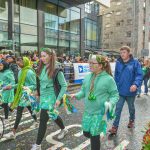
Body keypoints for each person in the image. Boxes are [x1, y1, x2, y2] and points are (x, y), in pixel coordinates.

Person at [70, 54, 119, 150]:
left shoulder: (108, 79)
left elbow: (115, 95)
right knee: (86, 132)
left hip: (99, 113)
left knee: (94, 136)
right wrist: (76, 95)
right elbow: (83, 91)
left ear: (100, 65)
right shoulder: (87, 77)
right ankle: (96, 134)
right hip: (88, 111)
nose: (90, 65)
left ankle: (96, 136)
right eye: (89, 63)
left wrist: (110, 103)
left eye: (93, 63)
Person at [31, 48, 68, 150]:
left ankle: (38, 145)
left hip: (52, 97)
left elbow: (64, 85)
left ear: (50, 56)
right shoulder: (40, 67)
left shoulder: (56, 69)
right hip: (43, 96)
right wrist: (36, 91)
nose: (42, 58)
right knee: (53, 115)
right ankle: (64, 129)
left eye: (44, 56)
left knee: (43, 119)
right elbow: (39, 82)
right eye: (41, 56)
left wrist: (59, 98)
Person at [109, 46, 143, 135]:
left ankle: (131, 120)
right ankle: (114, 127)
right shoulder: (118, 62)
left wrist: (135, 84)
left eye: (124, 52)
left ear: (128, 53)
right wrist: (114, 88)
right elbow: (116, 75)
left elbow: (139, 75)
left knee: (131, 108)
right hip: (120, 91)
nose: (122, 54)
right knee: (118, 109)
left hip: (131, 91)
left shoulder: (135, 62)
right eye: (121, 53)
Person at [4, 57, 38, 139]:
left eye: (20, 61)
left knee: (19, 111)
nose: (18, 63)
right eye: (17, 61)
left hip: (26, 95)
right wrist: (11, 86)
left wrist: (26, 87)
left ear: (25, 61)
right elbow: (19, 84)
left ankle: (13, 132)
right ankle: (37, 121)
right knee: (30, 108)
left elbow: (35, 85)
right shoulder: (20, 71)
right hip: (21, 94)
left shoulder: (29, 72)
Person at [0, 60, 15, 124]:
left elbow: (13, 82)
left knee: (5, 103)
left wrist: (7, 86)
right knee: (2, 104)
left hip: (7, 90)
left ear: (5, 66)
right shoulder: (0, 72)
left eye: (1, 65)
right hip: (1, 90)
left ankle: (6, 118)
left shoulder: (8, 72)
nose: (0, 66)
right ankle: (11, 110)